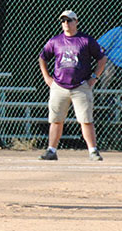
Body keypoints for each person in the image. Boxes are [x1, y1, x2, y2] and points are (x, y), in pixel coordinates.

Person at [38, 10, 107, 162]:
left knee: (86, 119)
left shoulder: (85, 40)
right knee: (56, 119)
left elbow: (101, 59)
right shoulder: (55, 41)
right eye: (63, 21)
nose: (66, 24)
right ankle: (51, 150)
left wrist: (94, 77)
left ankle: (93, 151)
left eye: (69, 20)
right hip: (59, 86)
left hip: (80, 86)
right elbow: (43, 58)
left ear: (76, 22)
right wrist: (47, 78)